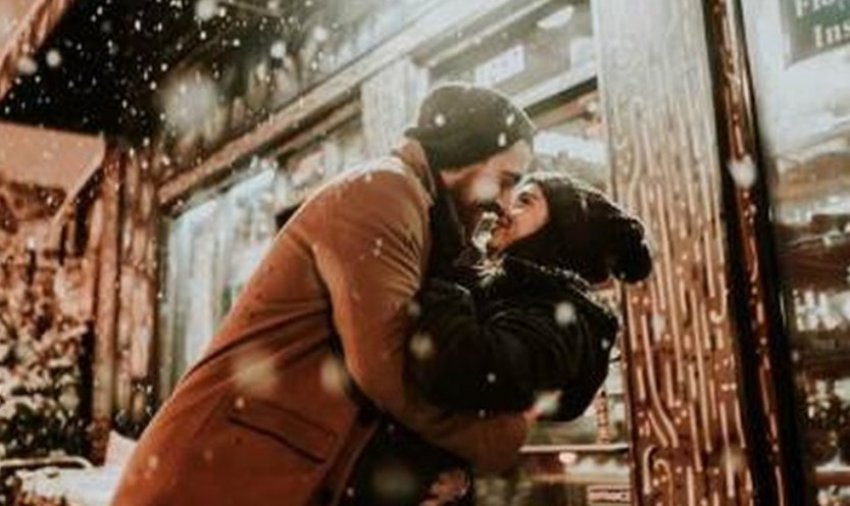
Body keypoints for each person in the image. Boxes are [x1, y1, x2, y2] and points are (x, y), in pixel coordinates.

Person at [111, 84, 538, 506]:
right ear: (463, 153)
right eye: (505, 181)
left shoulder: (420, 212)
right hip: (215, 475)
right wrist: (497, 437)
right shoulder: (385, 192)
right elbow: (386, 370)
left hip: (251, 472)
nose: (505, 204)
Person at [342, 171, 652, 506]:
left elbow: (456, 366)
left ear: (561, 228)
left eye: (524, 201)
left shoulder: (558, 318)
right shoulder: (516, 296)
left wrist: (447, 277)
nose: (504, 209)